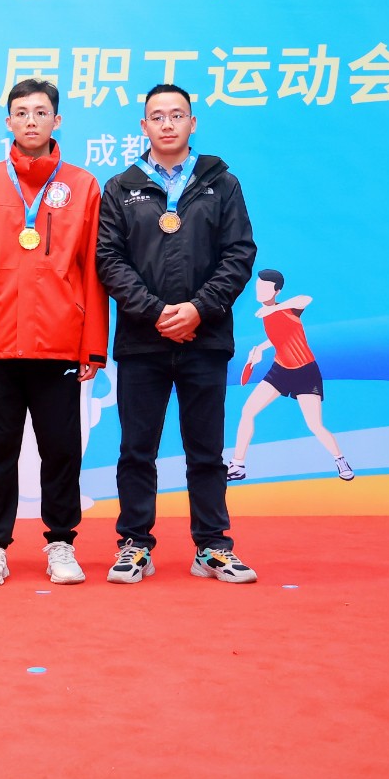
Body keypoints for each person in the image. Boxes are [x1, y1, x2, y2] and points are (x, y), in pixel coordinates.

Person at [95, 83, 259, 585]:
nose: (167, 124)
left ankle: (212, 547)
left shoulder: (221, 183)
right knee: (136, 451)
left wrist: (197, 310)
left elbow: (239, 254)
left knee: (206, 451)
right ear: (143, 126)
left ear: (193, 123)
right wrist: (157, 312)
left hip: (204, 340)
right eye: (157, 116)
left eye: (177, 115)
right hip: (143, 341)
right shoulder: (120, 187)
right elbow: (108, 259)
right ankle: (134, 545)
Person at [0, 78, 109, 587]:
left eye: (41, 112)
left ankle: (61, 543)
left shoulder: (83, 186)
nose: (31, 120)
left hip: (60, 342)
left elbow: (93, 272)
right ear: (8, 122)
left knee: (61, 449)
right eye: (21, 112)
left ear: (56, 121)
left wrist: (93, 346)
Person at [228, 269, 354, 483]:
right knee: (248, 411)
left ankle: (340, 460)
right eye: (259, 286)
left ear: (277, 291)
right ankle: (238, 465)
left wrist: (274, 309)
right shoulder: (266, 314)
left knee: (314, 424)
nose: (260, 290)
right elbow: (280, 336)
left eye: (266, 287)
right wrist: (259, 349)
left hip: (305, 371)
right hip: (280, 370)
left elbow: (306, 298)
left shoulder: (290, 309)